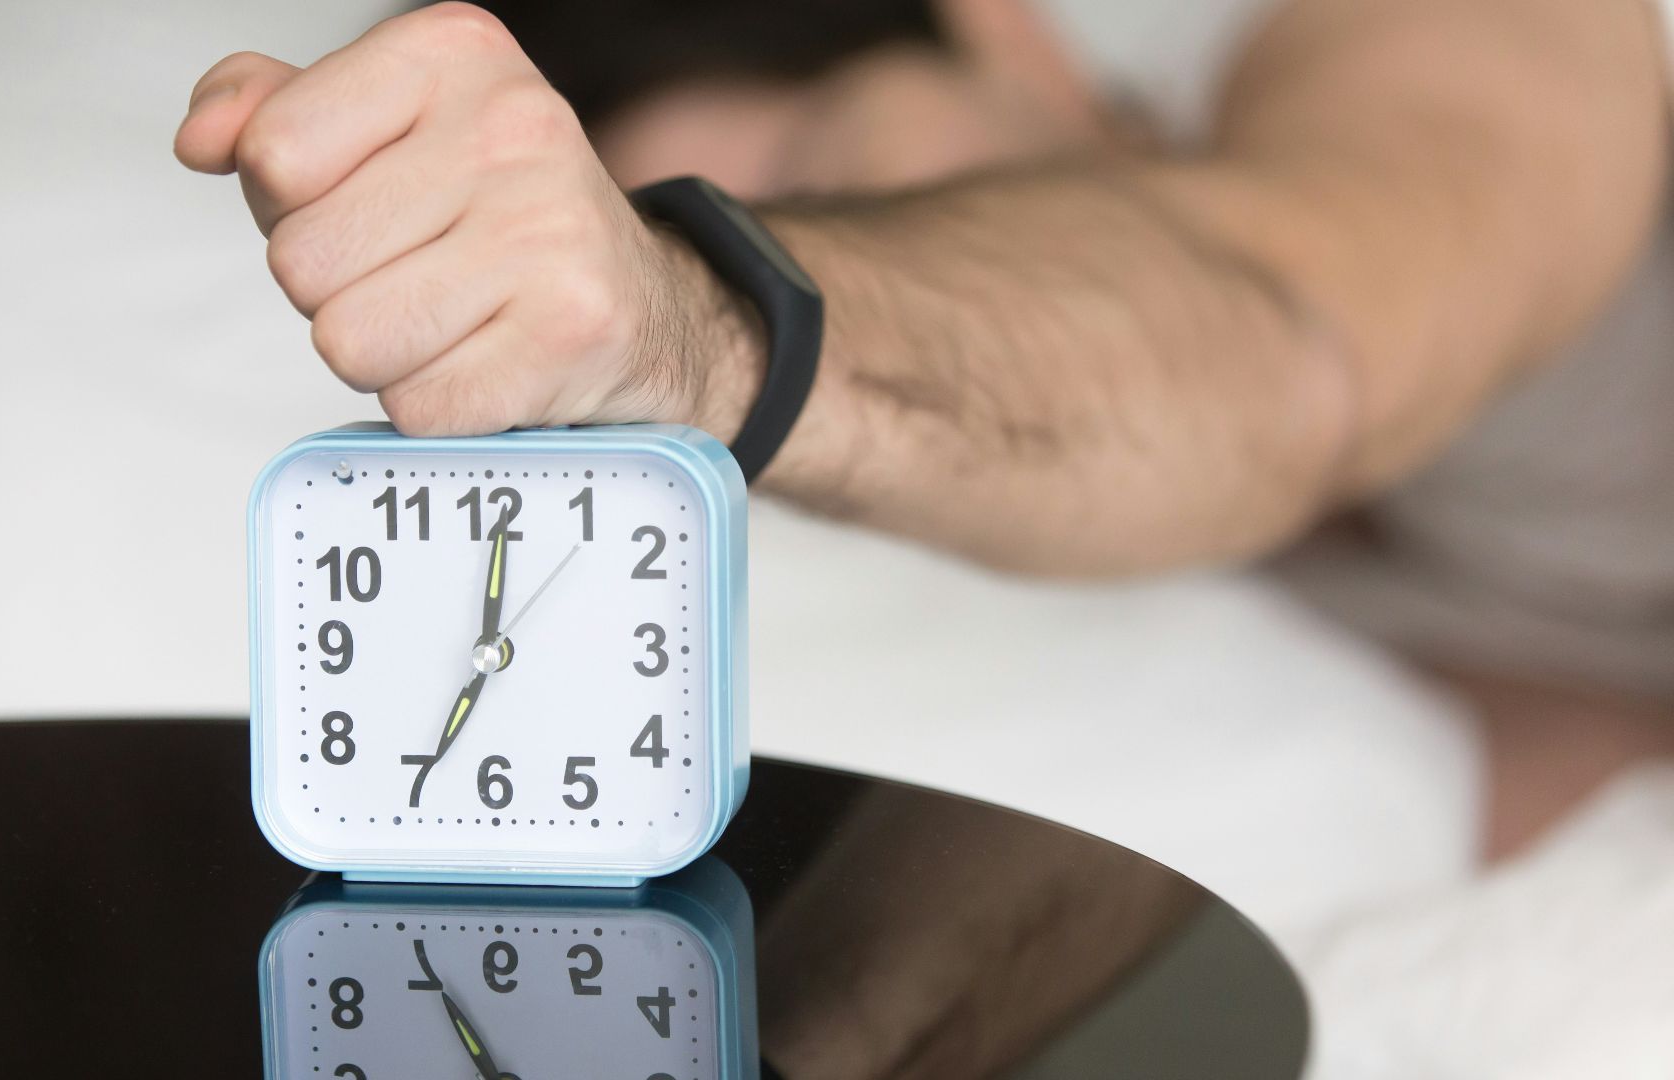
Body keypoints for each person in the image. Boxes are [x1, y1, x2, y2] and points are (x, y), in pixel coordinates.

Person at [174, 0, 1673, 859]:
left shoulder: (1462, 47)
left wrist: (709, 318)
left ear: (1012, 43)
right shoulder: (1216, 583)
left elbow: (1286, 336)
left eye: (834, 181)